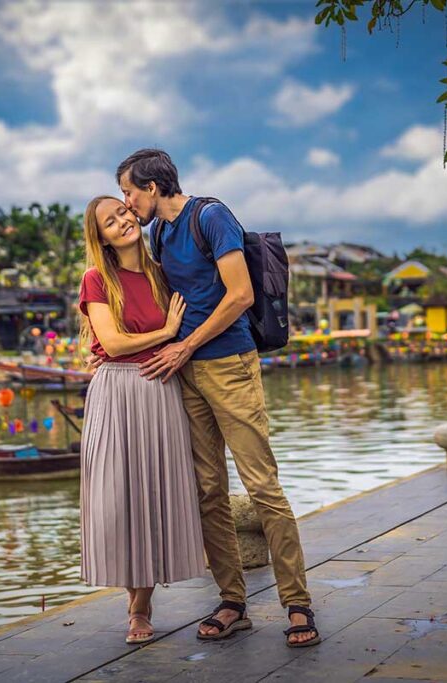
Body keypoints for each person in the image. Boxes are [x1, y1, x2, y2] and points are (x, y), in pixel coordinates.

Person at [114, 149, 320, 647]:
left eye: (129, 192)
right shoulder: (159, 233)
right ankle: (233, 601)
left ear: (154, 187)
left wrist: (186, 343)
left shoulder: (211, 216)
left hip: (229, 365)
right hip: (187, 373)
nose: (127, 203)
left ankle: (298, 605)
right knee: (208, 490)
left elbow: (240, 295)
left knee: (261, 485)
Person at [77, 195, 206, 646]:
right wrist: (166, 333)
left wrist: (177, 343)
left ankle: (141, 608)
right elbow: (111, 343)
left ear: (135, 213)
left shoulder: (162, 273)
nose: (121, 222)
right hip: (116, 391)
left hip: (159, 390)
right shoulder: (97, 279)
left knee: (153, 494)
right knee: (119, 496)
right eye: (108, 222)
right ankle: (132, 600)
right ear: (103, 237)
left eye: (122, 212)